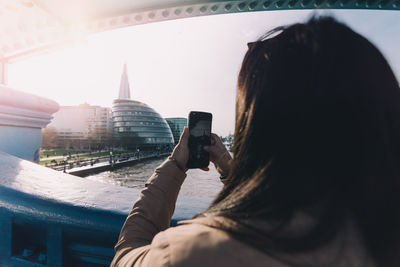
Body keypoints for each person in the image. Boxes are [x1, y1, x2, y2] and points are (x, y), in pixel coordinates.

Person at [111, 16, 400, 267]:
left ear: (260, 128)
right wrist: (228, 167)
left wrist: (175, 165)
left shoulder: (197, 252)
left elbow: (127, 255)